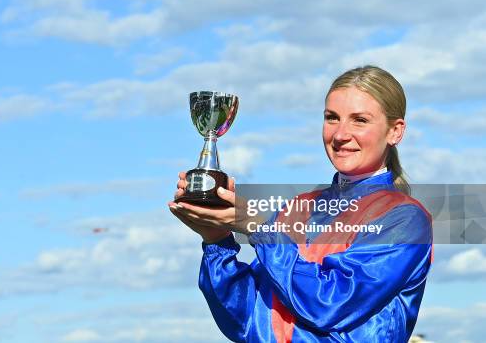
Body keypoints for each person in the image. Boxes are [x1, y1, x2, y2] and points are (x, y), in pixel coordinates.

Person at [168, 66, 433, 342]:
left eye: (360, 120)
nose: (340, 134)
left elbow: (330, 304)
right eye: (332, 118)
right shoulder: (298, 208)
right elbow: (246, 321)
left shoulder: (404, 219)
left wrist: (256, 226)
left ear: (395, 131)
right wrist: (216, 240)